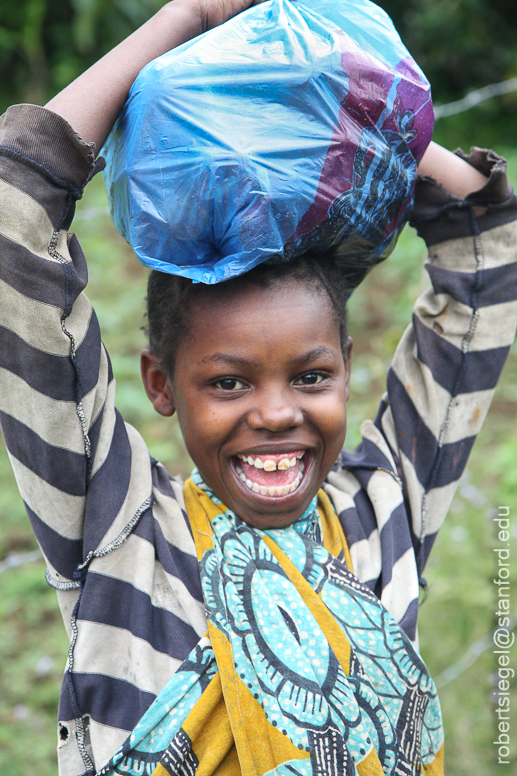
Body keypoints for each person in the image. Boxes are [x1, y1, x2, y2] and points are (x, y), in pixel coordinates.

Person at [0, 1, 515, 774]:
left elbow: (484, 247)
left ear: (344, 363)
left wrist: (348, 110)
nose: (276, 414)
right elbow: (16, 208)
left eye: (310, 376)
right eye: (228, 382)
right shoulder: (119, 532)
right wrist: (195, 13)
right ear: (160, 384)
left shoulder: (381, 510)